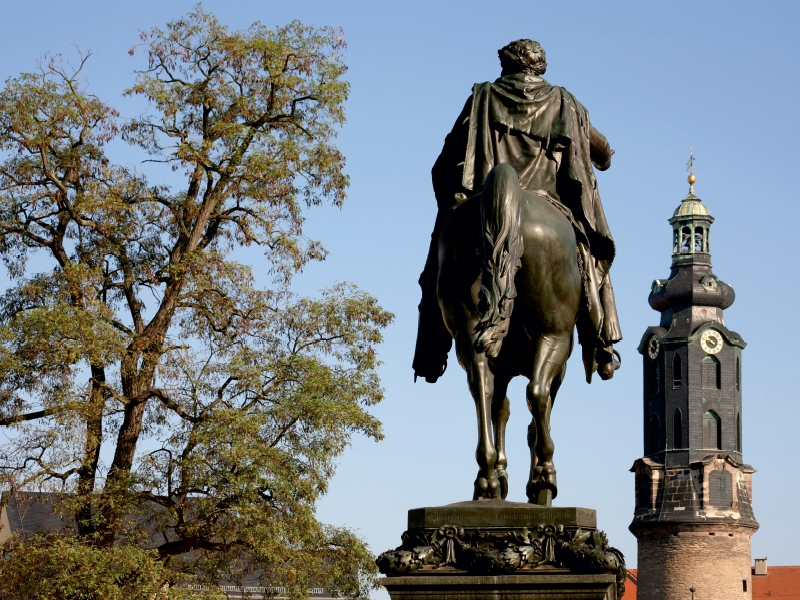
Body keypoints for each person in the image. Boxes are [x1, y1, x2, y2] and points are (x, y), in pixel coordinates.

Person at [413, 39, 622, 384]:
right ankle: (601, 344)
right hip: (549, 204)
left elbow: (445, 163)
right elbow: (603, 154)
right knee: (588, 254)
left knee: (435, 267)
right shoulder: (566, 103)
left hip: (482, 206)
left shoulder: (481, 97)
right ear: (540, 67)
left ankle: (430, 352)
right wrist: (598, 151)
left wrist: (456, 202)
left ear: (506, 66)